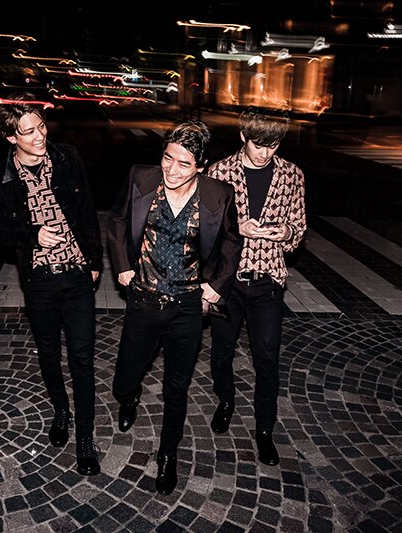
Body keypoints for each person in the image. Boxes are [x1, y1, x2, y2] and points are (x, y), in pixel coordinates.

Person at [107, 121, 241, 495]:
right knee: (123, 380)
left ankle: (168, 455)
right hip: (143, 299)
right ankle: (129, 397)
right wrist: (122, 264)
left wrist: (216, 286)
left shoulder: (218, 194)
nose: (172, 169)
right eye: (168, 158)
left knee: (176, 388)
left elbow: (231, 243)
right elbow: (117, 219)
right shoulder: (141, 178)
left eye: (184, 163)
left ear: (201, 165)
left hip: (187, 306)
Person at [0, 93, 103, 476]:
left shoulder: (67, 157)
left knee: (82, 358)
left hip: (76, 274)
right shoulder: (0, 176)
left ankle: (85, 437)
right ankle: (61, 410)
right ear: (11, 138)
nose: (40, 136)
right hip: (39, 281)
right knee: (49, 354)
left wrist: (95, 261)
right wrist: (33, 235)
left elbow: (87, 209)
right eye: (29, 132)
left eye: (41, 127)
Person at [206, 106, 306, 466]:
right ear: (243, 137)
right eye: (258, 144)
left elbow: (299, 227)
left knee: (267, 358)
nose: (265, 153)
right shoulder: (219, 172)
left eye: (273, 145)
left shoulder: (292, 175)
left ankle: (265, 429)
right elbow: (205, 232)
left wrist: (286, 232)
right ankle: (226, 400)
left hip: (268, 281)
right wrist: (238, 228)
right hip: (228, 281)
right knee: (221, 351)